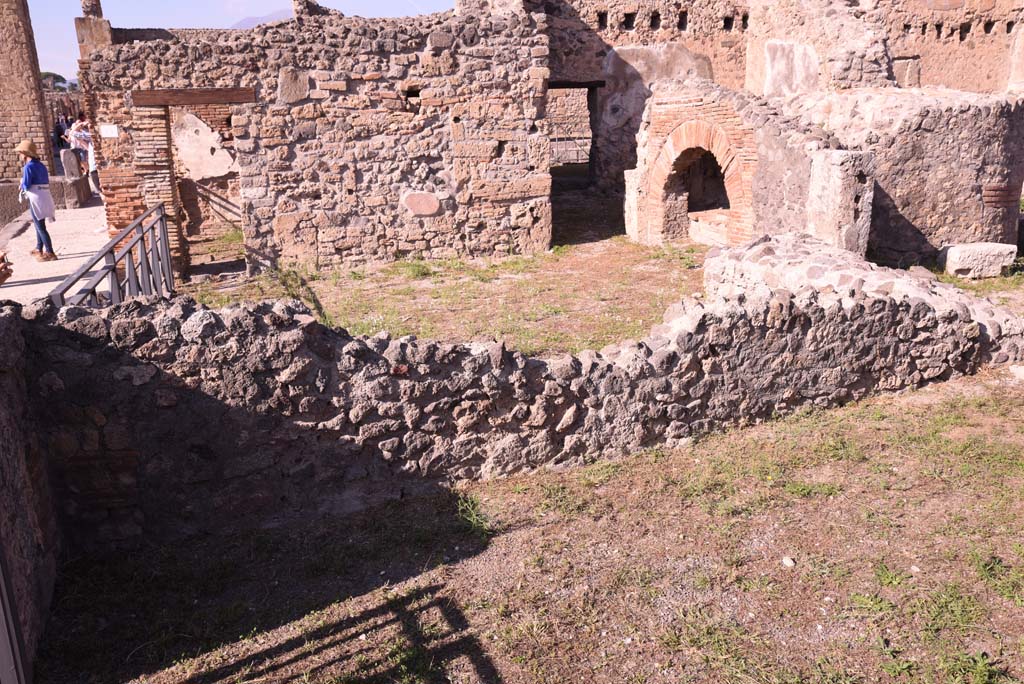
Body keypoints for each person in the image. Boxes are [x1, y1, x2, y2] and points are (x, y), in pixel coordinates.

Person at [16, 140, 58, 262]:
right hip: (44, 195)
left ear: (24, 153)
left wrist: (21, 183)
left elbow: (27, 184)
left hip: (35, 197)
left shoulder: (28, 167)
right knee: (39, 224)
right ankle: (39, 247)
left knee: (40, 226)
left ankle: (50, 251)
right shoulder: (41, 165)